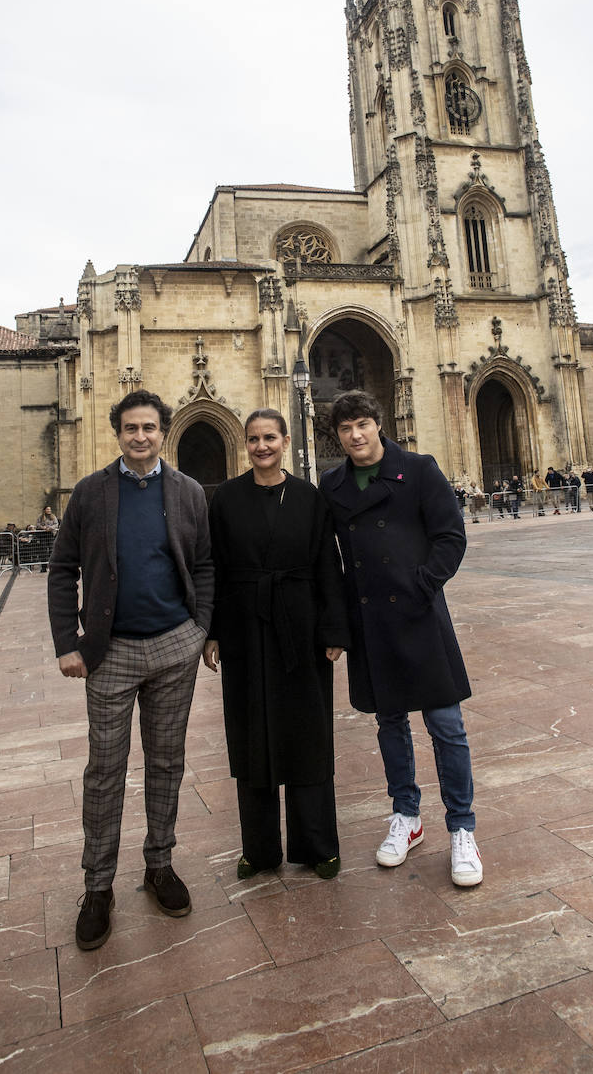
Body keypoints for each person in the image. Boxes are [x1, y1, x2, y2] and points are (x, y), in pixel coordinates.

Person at [47, 390, 213, 950]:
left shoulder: (188, 492)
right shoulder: (92, 493)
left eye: (148, 427)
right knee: (104, 770)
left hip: (174, 649)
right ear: (117, 433)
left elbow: (205, 565)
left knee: (167, 761)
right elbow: (61, 566)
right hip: (110, 652)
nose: (139, 436)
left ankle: (159, 864)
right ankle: (98, 887)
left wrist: (200, 631)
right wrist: (67, 641)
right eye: (129, 428)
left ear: (163, 431)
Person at [319, 390, 482, 889]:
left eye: (363, 424)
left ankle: (462, 828)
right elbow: (331, 561)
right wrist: (338, 625)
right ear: (339, 435)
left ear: (378, 424)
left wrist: (422, 584)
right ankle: (406, 816)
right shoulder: (333, 485)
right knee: (390, 723)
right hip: (371, 621)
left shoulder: (419, 469)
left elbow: (451, 536)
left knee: (446, 725)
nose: (356, 435)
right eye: (346, 428)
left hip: (418, 613)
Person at [204, 409, 350, 880]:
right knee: (251, 735)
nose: (261, 446)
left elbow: (328, 563)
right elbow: (217, 571)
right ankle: (260, 849)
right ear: (245, 445)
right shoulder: (225, 498)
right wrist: (213, 632)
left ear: (286, 441)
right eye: (253, 439)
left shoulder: (309, 496)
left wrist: (333, 630)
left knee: (307, 731)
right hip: (245, 627)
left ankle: (317, 845)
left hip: (302, 626)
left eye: (269, 437)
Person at [36, 504, 59, 572]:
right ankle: (43, 567)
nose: (49, 510)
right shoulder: (41, 517)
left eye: (50, 509)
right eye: (47, 509)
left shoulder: (53, 516)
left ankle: (52, 566)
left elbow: (56, 524)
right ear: (44, 510)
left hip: (50, 534)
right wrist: (43, 527)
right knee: (43, 550)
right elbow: (37, 524)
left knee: (51, 550)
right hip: (43, 535)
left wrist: (50, 528)